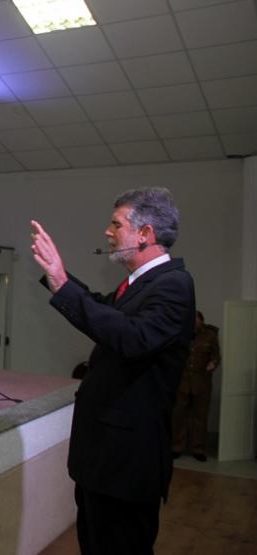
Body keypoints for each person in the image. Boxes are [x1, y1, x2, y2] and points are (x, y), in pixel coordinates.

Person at [30, 187, 196, 554]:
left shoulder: (174, 284)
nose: (107, 232)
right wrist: (58, 275)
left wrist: (61, 283)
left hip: (127, 463)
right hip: (103, 460)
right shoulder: (137, 284)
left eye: (116, 224)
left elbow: (132, 338)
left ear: (145, 234)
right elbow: (98, 308)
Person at [173, 310, 220, 461]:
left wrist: (213, 363)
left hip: (202, 382)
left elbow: (215, 356)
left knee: (200, 416)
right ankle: (177, 446)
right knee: (178, 415)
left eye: (196, 319)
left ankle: (198, 449)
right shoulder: (180, 332)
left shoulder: (210, 335)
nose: (193, 322)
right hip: (182, 382)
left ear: (201, 320)